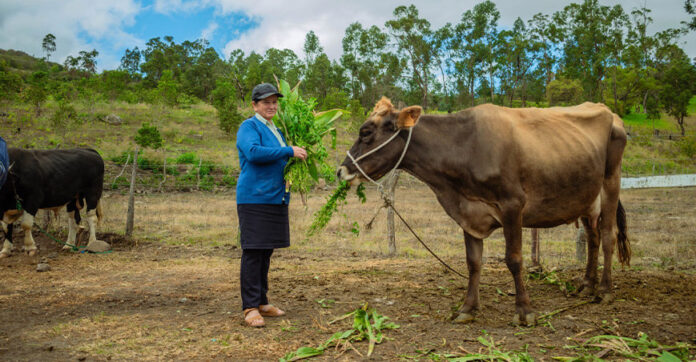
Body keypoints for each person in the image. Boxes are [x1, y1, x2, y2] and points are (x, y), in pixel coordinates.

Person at [235, 83, 307, 327]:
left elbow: (278, 157)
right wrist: (288, 151)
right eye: (266, 102)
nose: (271, 105)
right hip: (254, 197)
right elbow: (253, 153)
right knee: (254, 252)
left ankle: (262, 302)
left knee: (266, 251)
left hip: (274, 197)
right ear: (255, 105)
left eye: (274, 101)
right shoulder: (249, 126)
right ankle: (249, 307)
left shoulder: (276, 129)